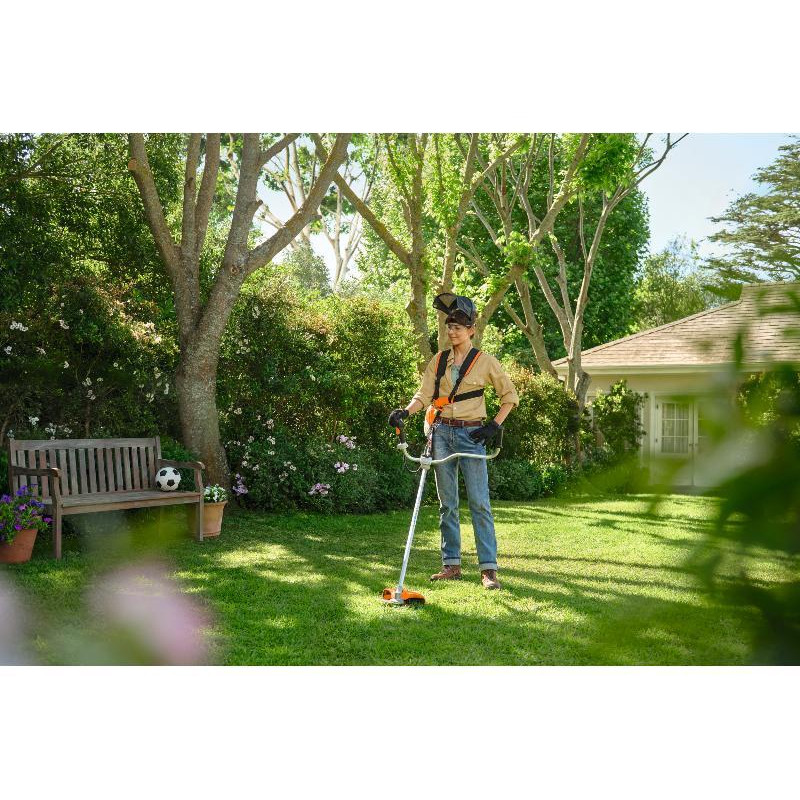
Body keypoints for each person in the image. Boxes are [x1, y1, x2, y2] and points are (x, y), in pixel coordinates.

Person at [388, 293, 519, 590]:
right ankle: (451, 565)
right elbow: (424, 395)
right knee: (447, 504)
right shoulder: (439, 360)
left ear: (471, 330)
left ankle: (488, 570)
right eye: (449, 326)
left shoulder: (486, 362)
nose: (452, 332)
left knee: (479, 503)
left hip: (472, 435)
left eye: (458, 327)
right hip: (441, 434)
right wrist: (405, 412)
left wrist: (493, 426)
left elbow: (510, 397)